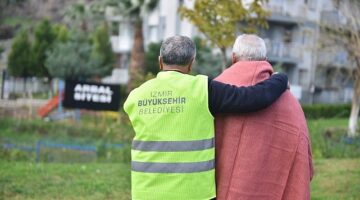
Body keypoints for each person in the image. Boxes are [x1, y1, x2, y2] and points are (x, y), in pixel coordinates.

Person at [124, 35, 288, 200]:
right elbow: (253, 98)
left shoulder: (135, 96)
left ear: (160, 62)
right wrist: (279, 78)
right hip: (193, 193)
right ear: (191, 63)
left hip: (145, 193)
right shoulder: (203, 90)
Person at [215, 34, 314, 200]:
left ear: (233, 58)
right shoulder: (291, 103)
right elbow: (303, 159)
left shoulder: (214, 89)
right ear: (266, 59)